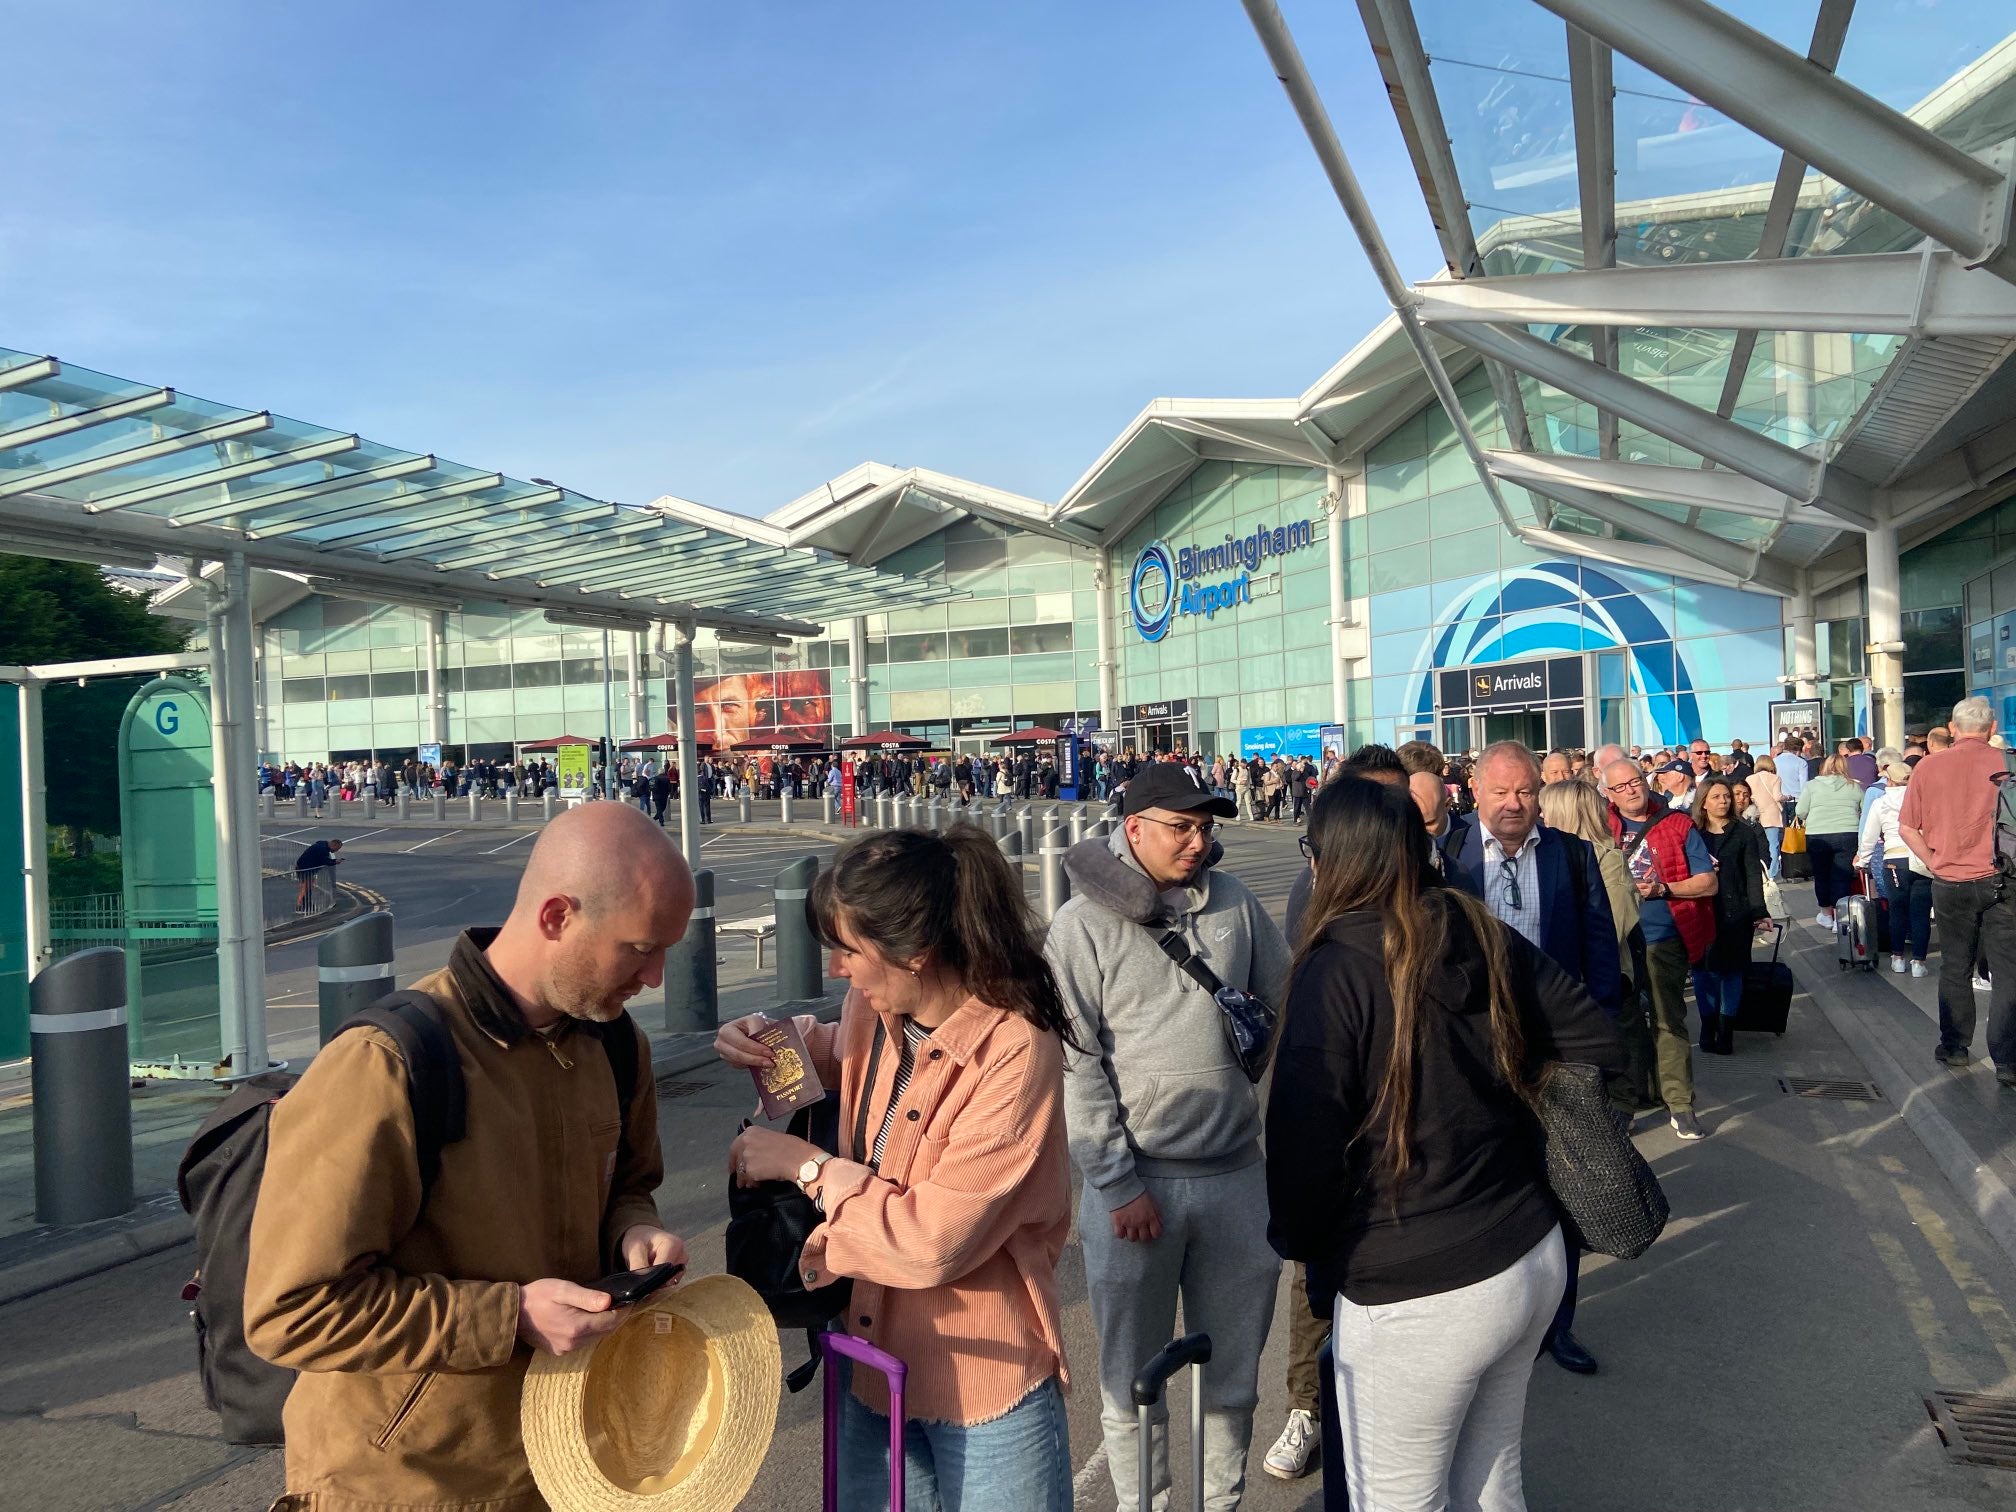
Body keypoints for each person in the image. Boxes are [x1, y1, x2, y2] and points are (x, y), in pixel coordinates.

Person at [244, 804, 691, 1509]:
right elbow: (291, 1312)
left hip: (566, 1464)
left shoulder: (613, 1046)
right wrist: (508, 1315)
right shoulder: (385, 1064)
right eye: (639, 949)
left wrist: (632, 1229)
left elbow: (630, 1183)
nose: (657, 977)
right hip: (407, 1486)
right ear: (555, 917)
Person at [1268, 778, 1623, 1512]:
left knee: (1403, 1499)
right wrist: (1500, 1101)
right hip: (1527, 1254)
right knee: (1491, 1485)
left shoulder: (1334, 968)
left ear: (1334, 861)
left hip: (1418, 1284)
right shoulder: (1475, 924)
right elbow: (1594, 1034)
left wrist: (1310, 1251)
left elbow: (1302, 1162)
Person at [719, 827, 1077, 1511]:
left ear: (915, 952)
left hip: (986, 1386)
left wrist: (809, 1170)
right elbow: (832, 1057)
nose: (837, 970)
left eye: (848, 950)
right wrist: (763, 1042)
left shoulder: (1014, 1048)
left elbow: (933, 1241)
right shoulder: (875, 1007)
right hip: (870, 1367)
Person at [1047, 763, 1291, 1511]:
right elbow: (1077, 1063)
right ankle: (1142, 1505)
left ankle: (1221, 1503)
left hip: (1237, 1180)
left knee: (1235, 1377)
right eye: (1180, 827)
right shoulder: (1080, 927)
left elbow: (1281, 1007)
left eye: (1205, 827)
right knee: (1131, 1377)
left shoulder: (1237, 903)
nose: (1197, 841)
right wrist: (1118, 1185)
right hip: (1136, 1191)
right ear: (1134, 829)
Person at [1438, 743, 1619, 1377]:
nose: (1514, 805)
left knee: (1564, 1190)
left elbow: (1600, 956)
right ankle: (1482, 1332)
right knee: (1480, 1190)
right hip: (1474, 1058)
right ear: (1476, 791)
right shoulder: (1446, 861)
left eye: (1526, 793)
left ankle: (1556, 1327)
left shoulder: (1572, 856)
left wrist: (1599, 1048)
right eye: (1501, 792)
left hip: (1554, 1058)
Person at [1898, 697, 2016, 1083]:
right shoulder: (2008, 764)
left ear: (1952, 728)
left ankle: (1954, 1046)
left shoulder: (1928, 767)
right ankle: (2008, 1060)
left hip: (1950, 880)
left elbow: (1907, 828)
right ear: (1993, 728)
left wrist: (1934, 862)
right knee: (2007, 972)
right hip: (2003, 879)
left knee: (1955, 965)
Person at [1602, 758, 1716, 1139]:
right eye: (1621, 786)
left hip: (1663, 937)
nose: (1631, 790)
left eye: (1635, 781)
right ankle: (1625, 1103)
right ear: (1608, 793)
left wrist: (1665, 889)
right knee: (1624, 1022)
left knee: (1668, 1020)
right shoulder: (1601, 826)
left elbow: (1707, 882)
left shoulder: (1678, 823)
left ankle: (1680, 1104)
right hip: (1618, 939)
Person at [1689, 776, 1772, 1056]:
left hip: (1736, 912)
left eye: (1726, 796)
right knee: (1703, 971)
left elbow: (1752, 875)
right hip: (1701, 910)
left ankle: (1726, 1029)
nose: (1723, 801)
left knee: (1731, 972)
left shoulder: (1743, 832)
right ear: (1703, 802)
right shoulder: (1692, 833)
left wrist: (1759, 912)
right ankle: (1707, 1023)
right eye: (1716, 797)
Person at [1858, 761, 1933, 977]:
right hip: (1921, 858)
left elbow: (1869, 837)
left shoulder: (1881, 803)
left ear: (1888, 780)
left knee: (1897, 910)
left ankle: (1898, 958)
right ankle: (1919, 962)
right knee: (1920, 913)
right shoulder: (1922, 800)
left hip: (1894, 860)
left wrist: (1863, 860)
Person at [1796, 754, 1865, 932]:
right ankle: (1840, 919)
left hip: (1818, 834)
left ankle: (1826, 914)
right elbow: (1864, 810)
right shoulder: (1854, 786)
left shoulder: (1812, 786)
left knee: (1821, 875)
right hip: (1848, 832)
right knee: (1841, 876)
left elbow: (1801, 810)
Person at [1748, 757, 1785, 880]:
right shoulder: (1775, 778)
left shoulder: (1750, 779)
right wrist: (1788, 797)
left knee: (1756, 844)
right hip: (1771, 814)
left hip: (1755, 814)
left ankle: (1759, 871)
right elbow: (1777, 797)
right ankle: (1771, 873)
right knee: (1772, 844)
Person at [293, 836, 342, 911]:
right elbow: (325, 861)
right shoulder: (323, 849)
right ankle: (302, 906)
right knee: (305, 888)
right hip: (305, 869)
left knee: (307, 887)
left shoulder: (321, 845)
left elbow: (323, 859)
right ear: (334, 845)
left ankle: (306, 904)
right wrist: (335, 862)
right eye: (337, 849)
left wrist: (334, 861)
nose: (336, 851)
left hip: (303, 868)